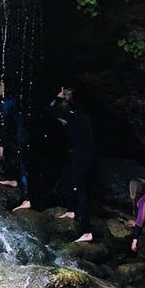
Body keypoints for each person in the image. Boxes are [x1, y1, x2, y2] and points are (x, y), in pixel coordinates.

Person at [51, 87, 95, 243]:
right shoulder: (82, 116)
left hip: (82, 158)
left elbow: (51, 111)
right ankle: (71, 210)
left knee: (81, 191)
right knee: (69, 179)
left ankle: (87, 231)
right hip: (82, 155)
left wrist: (58, 98)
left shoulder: (74, 118)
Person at [0, 81, 30, 201]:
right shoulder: (15, 101)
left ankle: (27, 199)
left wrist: (1, 145)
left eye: (1, 86)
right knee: (14, 160)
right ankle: (14, 180)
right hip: (20, 136)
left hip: (18, 138)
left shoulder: (7, 104)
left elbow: (5, 126)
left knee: (20, 165)